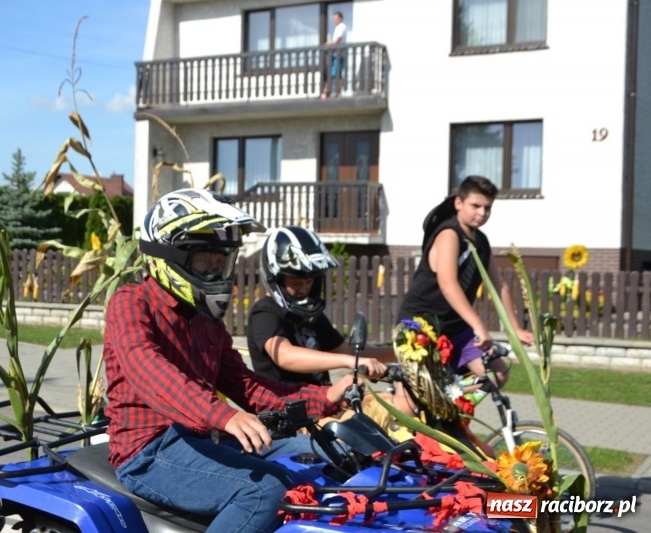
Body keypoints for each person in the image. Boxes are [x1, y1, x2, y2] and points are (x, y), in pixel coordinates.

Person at [103, 189, 357, 533]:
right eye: (203, 260)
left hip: (204, 436)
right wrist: (222, 414)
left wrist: (322, 398)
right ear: (168, 256)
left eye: (220, 260)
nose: (214, 269)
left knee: (317, 453)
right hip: (148, 451)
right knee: (262, 492)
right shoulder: (131, 303)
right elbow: (147, 368)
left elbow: (247, 385)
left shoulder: (206, 321)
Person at [247, 226, 412, 418]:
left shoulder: (309, 315)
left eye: (309, 282)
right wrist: (349, 362)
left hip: (324, 402)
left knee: (405, 407)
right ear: (276, 279)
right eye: (296, 284)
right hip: (290, 414)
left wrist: (400, 352)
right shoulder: (265, 312)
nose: (304, 289)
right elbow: (284, 355)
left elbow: (349, 351)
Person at [398, 176, 533, 389]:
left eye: (487, 208)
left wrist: (515, 328)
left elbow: (499, 287)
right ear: (459, 203)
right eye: (475, 206)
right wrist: (478, 325)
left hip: (456, 328)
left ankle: (452, 412)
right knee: (420, 397)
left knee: (496, 374)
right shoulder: (449, 234)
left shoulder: (481, 241)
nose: (482, 213)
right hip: (421, 325)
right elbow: (448, 283)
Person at [321, 11, 347, 99]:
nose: (334, 20)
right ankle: (335, 92)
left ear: (340, 18)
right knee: (335, 73)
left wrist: (327, 44)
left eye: (335, 18)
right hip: (337, 54)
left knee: (335, 73)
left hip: (338, 54)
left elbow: (337, 41)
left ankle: (329, 92)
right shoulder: (339, 27)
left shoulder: (341, 27)